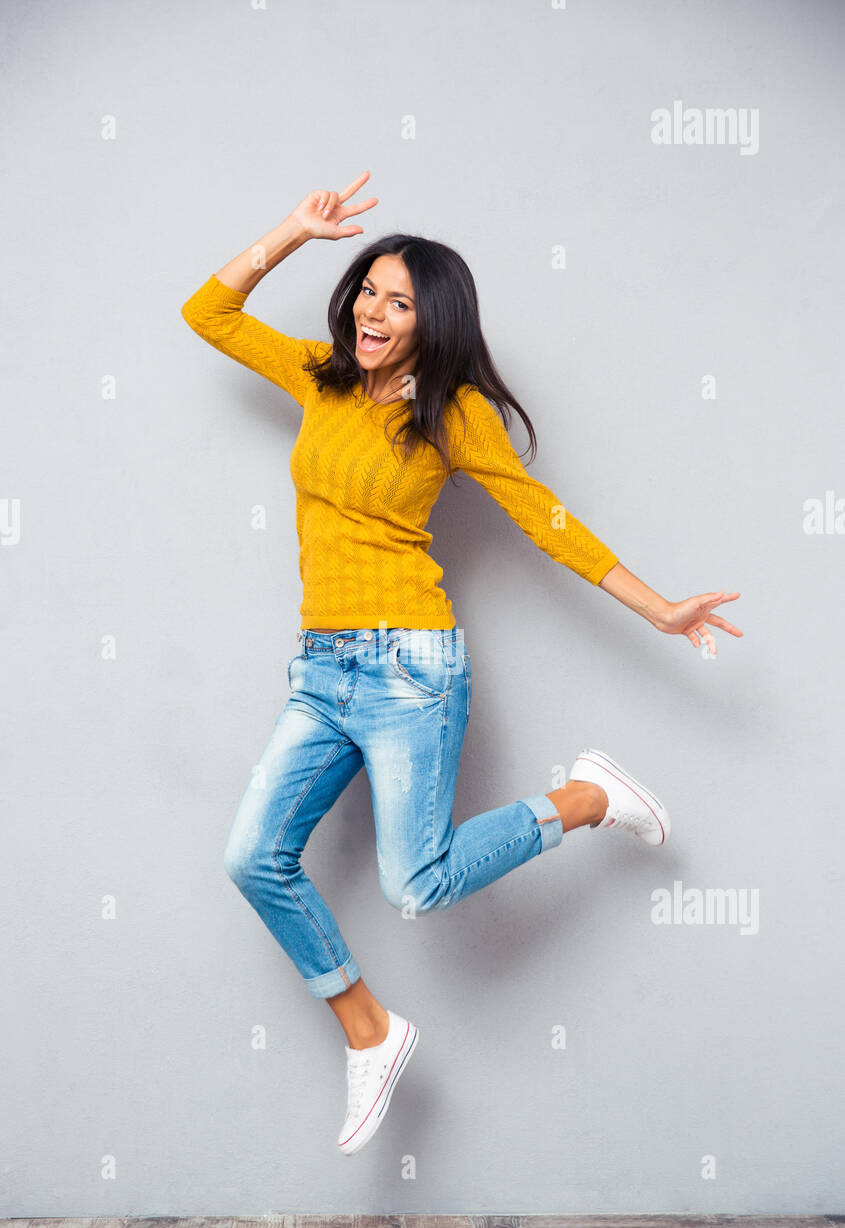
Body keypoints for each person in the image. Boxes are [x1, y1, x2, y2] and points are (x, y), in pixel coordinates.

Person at [180, 171, 742, 1157]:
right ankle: (370, 1030)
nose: (372, 311)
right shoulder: (317, 375)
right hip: (319, 669)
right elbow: (208, 311)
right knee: (250, 858)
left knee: (414, 883)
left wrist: (657, 607)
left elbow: (543, 518)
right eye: (367, 290)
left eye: (397, 302)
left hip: (409, 669)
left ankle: (581, 799)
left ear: (430, 323)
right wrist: (294, 233)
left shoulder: (454, 412)